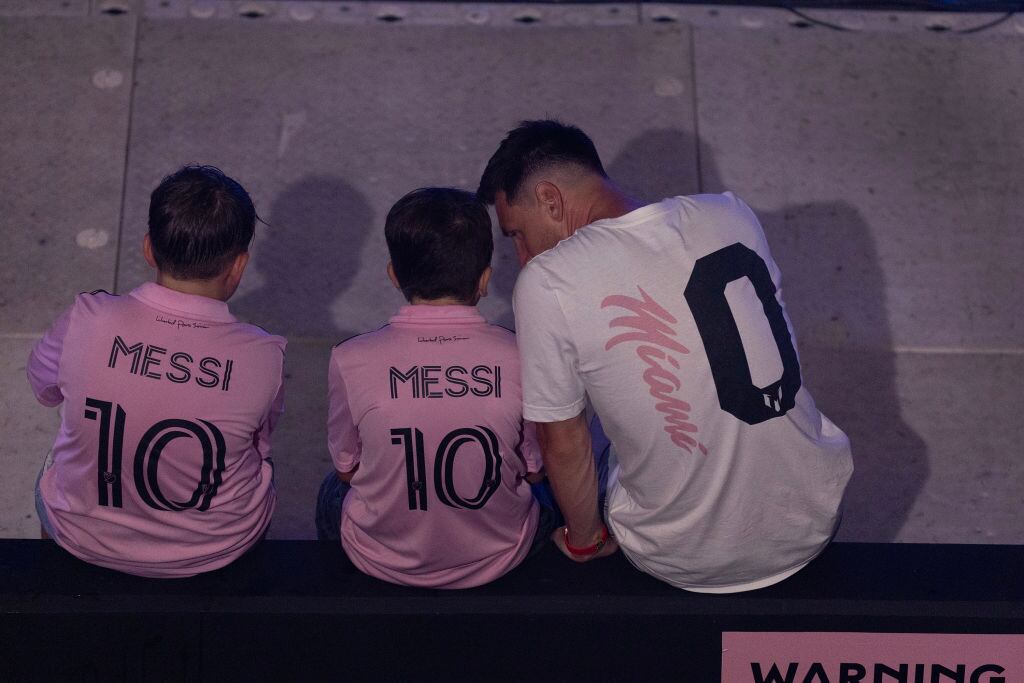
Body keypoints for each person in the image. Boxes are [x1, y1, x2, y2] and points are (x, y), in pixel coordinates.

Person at [477, 120, 853, 592]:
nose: (523, 256)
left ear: (551, 200)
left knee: (566, 428)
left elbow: (563, 445)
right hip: (814, 518)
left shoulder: (549, 280)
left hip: (682, 556)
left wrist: (585, 540)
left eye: (516, 234)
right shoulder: (731, 214)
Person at [27, 165, 284, 578]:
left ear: (149, 249)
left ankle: (53, 575)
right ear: (238, 266)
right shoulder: (264, 355)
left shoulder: (86, 317)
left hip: (84, 538)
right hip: (213, 551)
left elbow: (44, 388)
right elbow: (260, 446)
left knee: (54, 459)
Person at [315, 187, 547, 589]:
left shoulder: (350, 358)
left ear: (394, 275)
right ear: (485, 280)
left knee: (329, 491)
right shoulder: (522, 355)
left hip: (382, 559)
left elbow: (346, 468)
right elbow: (534, 467)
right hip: (500, 555)